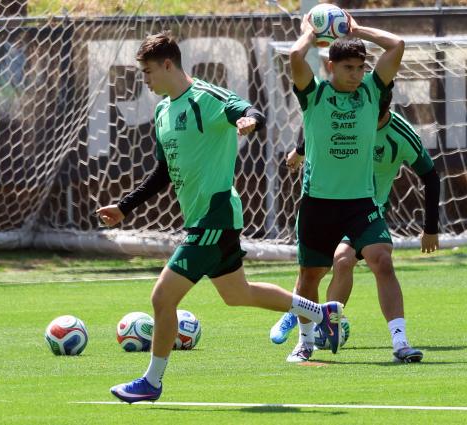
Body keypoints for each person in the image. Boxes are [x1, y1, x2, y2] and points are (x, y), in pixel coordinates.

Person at [96, 31, 343, 404]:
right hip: (204, 218)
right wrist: (125, 206)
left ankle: (151, 381)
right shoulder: (164, 111)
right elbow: (162, 172)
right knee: (237, 294)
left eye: (147, 72)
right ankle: (320, 313)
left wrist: (249, 123)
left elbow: (249, 111)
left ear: (167, 64)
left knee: (162, 298)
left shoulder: (205, 98)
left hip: (215, 215)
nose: (144, 80)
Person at [280, 11, 422, 364]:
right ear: (331, 66)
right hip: (318, 202)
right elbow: (296, 57)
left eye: (361, 68)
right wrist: (310, 33)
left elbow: (396, 45)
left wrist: (357, 30)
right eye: (349, 68)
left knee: (382, 260)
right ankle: (306, 342)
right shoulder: (314, 96)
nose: (357, 74)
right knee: (310, 276)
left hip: (360, 202)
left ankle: (400, 343)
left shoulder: (373, 91)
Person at [271, 90, 440, 358]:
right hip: (328, 202)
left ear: (381, 110)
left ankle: (400, 342)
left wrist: (430, 227)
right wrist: (299, 151)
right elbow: (321, 127)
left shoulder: (400, 134)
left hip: (366, 209)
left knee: (375, 260)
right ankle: (312, 319)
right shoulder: (347, 116)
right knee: (318, 268)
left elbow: (430, 175)